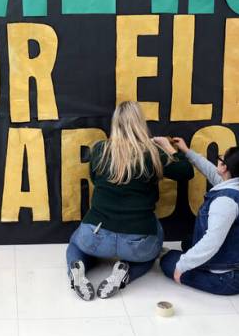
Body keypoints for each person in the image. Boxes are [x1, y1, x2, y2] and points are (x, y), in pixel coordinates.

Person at [66, 101, 194, 300]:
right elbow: (186, 172)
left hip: (96, 235)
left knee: (76, 243)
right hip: (137, 241)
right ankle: (126, 271)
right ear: (140, 123)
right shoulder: (153, 153)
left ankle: (78, 267)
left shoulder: (100, 149)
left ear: (115, 123)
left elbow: (94, 178)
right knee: (151, 253)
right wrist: (169, 148)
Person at [154, 137, 239, 295]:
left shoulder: (225, 202)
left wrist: (181, 267)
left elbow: (211, 242)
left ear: (224, 167)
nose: (217, 162)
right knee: (188, 241)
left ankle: (198, 269)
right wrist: (187, 151)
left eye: (220, 158)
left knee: (168, 261)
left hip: (230, 279)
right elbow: (209, 170)